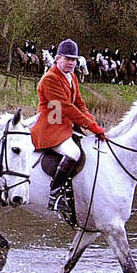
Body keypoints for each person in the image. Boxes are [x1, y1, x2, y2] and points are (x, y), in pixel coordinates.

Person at [31, 38, 106, 224]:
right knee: (73, 153)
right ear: (57, 58)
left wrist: (94, 124)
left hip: (65, 126)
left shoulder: (72, 77)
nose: (71, 62)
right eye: (67, 59)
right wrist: (93, 127)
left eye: (74, 59)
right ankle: (54, 194)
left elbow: (80, 104)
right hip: (50, 127)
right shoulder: (49, 79)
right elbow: (66, 107)